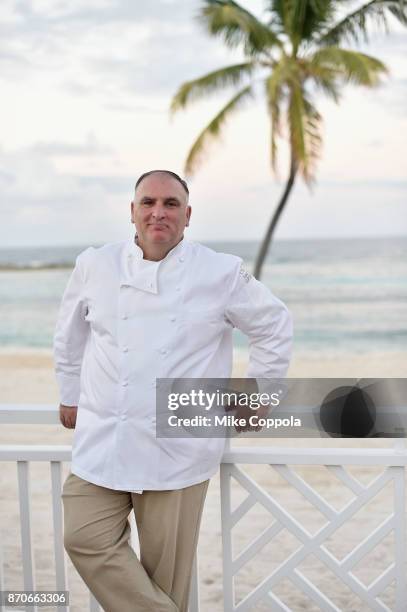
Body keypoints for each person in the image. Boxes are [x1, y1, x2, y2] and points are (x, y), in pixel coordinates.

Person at [54, 169, 293, 612]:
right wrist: (69, 392)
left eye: (170, 204)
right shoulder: (95, 264)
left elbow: (274, 325)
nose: (158, 212)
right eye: (148, 202)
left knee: (166, 577)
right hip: (103, 438)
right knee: (83, 536)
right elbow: (70, 334)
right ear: (132, 212)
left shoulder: (219, 271)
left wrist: (257, 391)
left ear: (187, 215)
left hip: (177, 447)